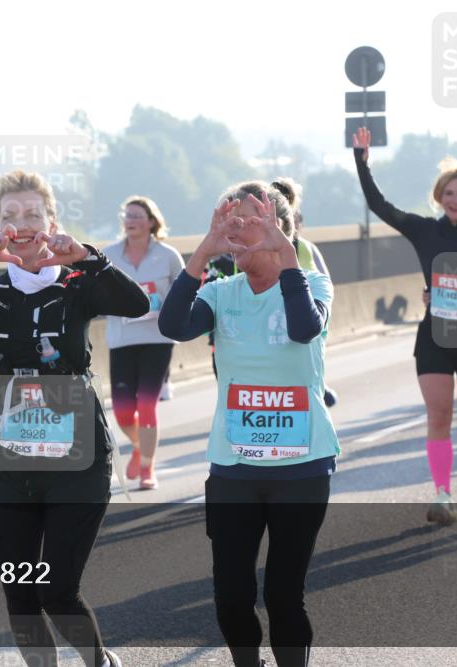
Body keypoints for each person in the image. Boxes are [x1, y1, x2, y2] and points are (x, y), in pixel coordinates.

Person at [0, 170, 147, 667]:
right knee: (20, 594)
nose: (20, 225)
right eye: (8, 217)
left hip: (79, 454)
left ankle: (98, 662)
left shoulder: (80, 285)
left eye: (32, 215)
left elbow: (137, 303)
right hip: (13, 457)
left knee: (57, 591)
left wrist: (87, 256)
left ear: (52, 222)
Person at [159, 182, 338, 667]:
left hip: (301, 469)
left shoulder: (313, 284)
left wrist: (284, 253)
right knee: (232, 599)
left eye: (248, 222)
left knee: (283, 596)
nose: (236, 234)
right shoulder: (220, 292)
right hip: (234, 470)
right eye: (229, 224)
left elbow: (303, 329)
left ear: (280, 227)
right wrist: (203, 250)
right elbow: (172, 326)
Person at [353, 127, 457, 523]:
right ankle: (442, 494)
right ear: (439, 197)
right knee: (438, 416)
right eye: (448, 193)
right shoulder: (424, 230)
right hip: (434, 334)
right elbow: (380, 205)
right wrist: (362, 163)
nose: (455, 199)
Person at [104, 196, 184, 490]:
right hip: (121, 339)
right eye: (127, 215)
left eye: (138, 215)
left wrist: (169, 307)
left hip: (157, 338)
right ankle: (140, 446)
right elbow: (94, 295)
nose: (131, 220)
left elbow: (185, 291)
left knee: (147, 405)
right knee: (124, 411)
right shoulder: (108, 255)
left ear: (151, 221)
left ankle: (148, 468)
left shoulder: (168, 255)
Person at [271, 177, 338, 409]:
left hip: (302, 323)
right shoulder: (252, 249)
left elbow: (326, 287)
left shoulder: (306, 248)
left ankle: (316, 385)